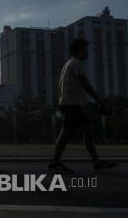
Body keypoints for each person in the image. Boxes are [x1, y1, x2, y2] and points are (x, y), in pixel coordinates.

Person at [49, 38, 117, 174]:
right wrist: (101, 103)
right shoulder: (77, 64)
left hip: (70, 103)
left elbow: (61, 87)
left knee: (87, 131)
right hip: (71, 104)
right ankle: (54, 164)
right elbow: (86, 85)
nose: (87, 53)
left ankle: (96, 163)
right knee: (66, 133)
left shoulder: (68, 64)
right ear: (79, 50)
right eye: (85, 49)